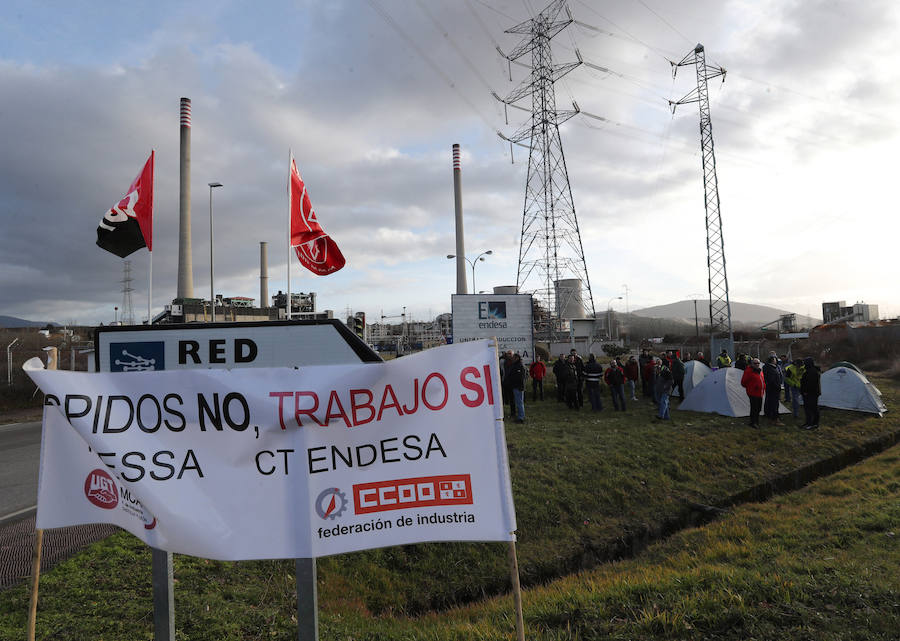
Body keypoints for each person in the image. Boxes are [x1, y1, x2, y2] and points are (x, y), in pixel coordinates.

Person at [741, 357, 765, 428]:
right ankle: (753, 422)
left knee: (758, 408)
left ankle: (756, 421)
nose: (757, 364)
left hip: (760, 392)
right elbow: (743, 382)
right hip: (753, 393)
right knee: (754, 408)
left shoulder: (760, 371)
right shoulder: (748, 371)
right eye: (755, 363)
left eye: (758, 363)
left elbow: (762, 380)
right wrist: (751, 387)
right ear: (752, 364)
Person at [800, 356, 821, 430]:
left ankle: (812, 423)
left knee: (811, 409)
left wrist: (806, 391)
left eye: (805, 362)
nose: (804, 364)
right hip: (810, 393)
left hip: (811, 394)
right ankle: (809, 422)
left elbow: (811, 384)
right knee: (809, 409)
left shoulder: (812, 372)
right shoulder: (809, 370)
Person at [507, 353, 527, 423]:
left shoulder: (520, 366)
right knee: (518, 402)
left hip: (518, 387)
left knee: (519, 402)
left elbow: (521, 378)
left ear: (517, 358)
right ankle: (520, 416)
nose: (513, 359)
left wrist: (521, 386)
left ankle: (521, 417)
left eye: (514, 358)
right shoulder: (515, 365)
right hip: (515, 386)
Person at [762, 356, 783, 424]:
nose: (776, 361)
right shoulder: (771, 369)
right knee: (774, 404)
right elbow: (772, 380)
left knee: (769, 402)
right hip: (774, 389)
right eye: (775, 360)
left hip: (769, 388)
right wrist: (778, 387)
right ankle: (775, 418)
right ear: (772, 361)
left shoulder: (766, 367)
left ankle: (768, 415)